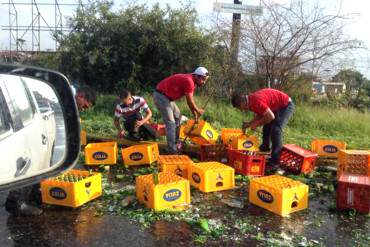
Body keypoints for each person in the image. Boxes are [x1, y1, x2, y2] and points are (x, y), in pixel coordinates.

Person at [5, 85, 96, 216]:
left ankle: (35, 192)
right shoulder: (60, 91)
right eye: (85, 106)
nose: (83, 109)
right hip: (31, 128)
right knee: (32, 163)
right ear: (80, 96)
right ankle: (16, 202)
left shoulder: (66, 96)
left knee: (44, 160)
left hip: (44, 126)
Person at [231, 88, 295, 169]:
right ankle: (265, 149)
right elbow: (261, 114)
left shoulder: (255, 101)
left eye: (240, 108)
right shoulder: (251, 101)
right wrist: (249, 124)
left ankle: (275, 162)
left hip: (286, 106)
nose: (242, 110)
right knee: (267, 126)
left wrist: (255, 124)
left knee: (276, 130)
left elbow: (270, 116)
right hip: (275, 108)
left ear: (242, 102)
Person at [153, 67, 209, 154]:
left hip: (168, 98)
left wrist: (195, 115)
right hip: (161, 96)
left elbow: (191, 101)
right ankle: (171, 150)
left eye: (205, 80)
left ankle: (175, 142)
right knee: (170, 123)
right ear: (197, 76)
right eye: (203, 79)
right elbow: (189, 101)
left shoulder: (192, 81)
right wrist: (198, 111)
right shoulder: (189, 81)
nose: (204, 82)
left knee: (178, 116)